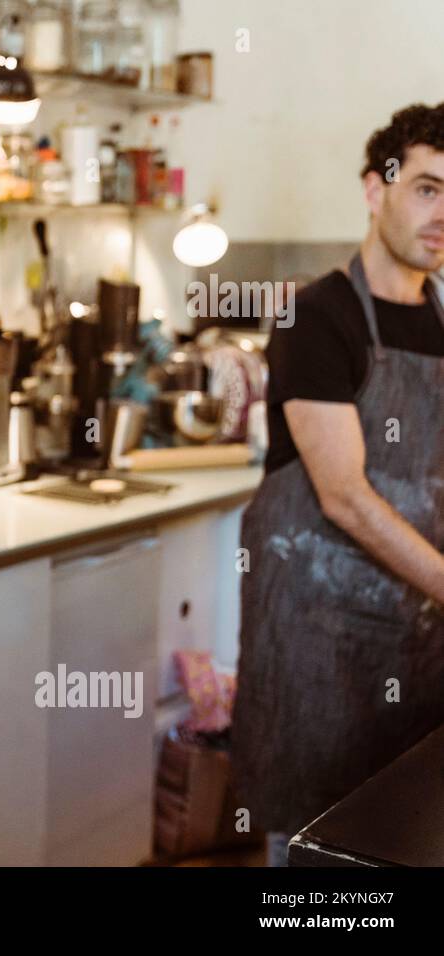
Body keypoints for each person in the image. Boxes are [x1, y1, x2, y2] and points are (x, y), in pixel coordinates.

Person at [234, 103, 444, 866]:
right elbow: (346, 496)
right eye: (427, 188)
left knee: (405, 839)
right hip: (319, 649)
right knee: (318, 861)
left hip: (417, 647)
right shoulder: (316, 318)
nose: (442, 214)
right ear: (374, 189)